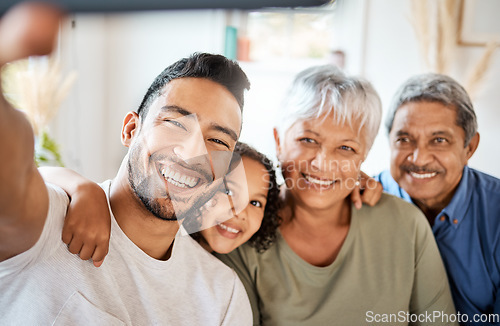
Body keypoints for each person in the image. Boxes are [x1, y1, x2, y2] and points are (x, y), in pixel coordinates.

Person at [0, 2, 253, 324]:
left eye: (217, 140)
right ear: (131, 130)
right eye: (175, 123)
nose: (192, 153)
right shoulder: (48, 219)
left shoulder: (223, 296)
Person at [216, 65, 458, 325]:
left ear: (363, 155)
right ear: (278, 142)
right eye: (308, 140)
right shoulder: (239, 230)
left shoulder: (407, 225)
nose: (323, 163)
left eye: (346, 147)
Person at [376, 73, 500, 325]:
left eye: (439, 140)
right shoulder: (361, 200)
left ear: (469, 148)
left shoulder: (496, 212)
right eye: (404, 139)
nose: (419, 159)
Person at [41, 141, 282, 256]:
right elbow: (40, 173)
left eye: (256, 202)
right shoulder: (158, 222)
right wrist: (84, 188)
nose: (240, 211)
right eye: (228, 191)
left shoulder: (233, 274)